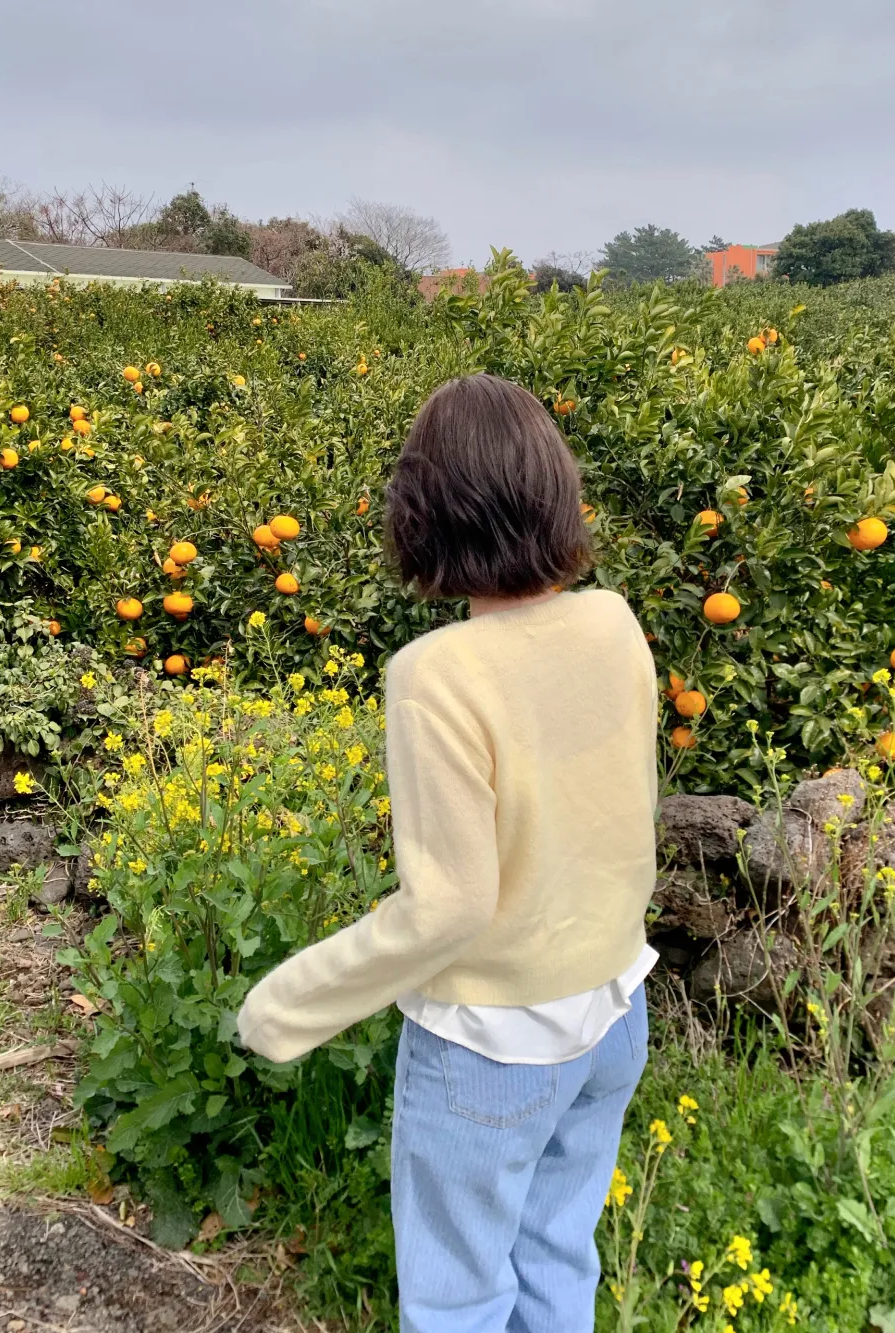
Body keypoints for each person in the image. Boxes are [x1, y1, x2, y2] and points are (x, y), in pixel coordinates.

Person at [238, 373, 660, 1332]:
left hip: (491, 1047)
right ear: (554, 488)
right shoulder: (614, 621)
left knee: (457, 1299)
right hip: (613, 1010)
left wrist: (286, 1006)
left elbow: (449, 906)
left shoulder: (436, 674)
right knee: (558, 1258)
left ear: (423, 511)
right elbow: (623, 813)